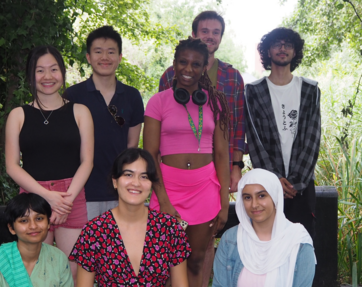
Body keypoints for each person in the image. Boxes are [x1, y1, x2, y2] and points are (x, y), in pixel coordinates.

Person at [158, 12, 245, 284]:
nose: (210, 36)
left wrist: (235, 167)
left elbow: (237, 128)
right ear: (194, 34)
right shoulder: (168, 80)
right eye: (204, 31)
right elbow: (159, 138)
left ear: (220, 37)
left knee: (200, 254)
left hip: (209, 178)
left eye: (216, 31)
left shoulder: (231, 77)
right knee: (164, 255)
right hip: (172, 181)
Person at [144, 37, 230, 286]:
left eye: (196, 64)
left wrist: (224, 203)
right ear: (174, 63)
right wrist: (163, 201)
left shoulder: (216, 103)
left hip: (205, 188)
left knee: (195, 260)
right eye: (183, 62)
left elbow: (222, 155)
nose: (188, 69)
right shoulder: (158, 102)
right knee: (161, 263)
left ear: (205, 68)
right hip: (167, 188)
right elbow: (150, 154)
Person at [5, 45, 94, 282]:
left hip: (72, 196)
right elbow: (12, 165)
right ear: (31, 76)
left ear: (62, 73)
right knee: (34, 273)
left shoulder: (80, 112)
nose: (47, 77)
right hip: (33, 198)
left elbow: (87, 161)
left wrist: (66, 199)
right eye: (40, 70)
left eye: (53, 69)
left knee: (72, 272)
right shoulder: (18, 115)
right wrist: (47, 195)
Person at [69, 148, 191, 287]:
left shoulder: (170, 228)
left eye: (144, 177)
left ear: (151, 184)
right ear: (115, 181)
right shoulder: (94, 231)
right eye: (128, 174)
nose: (136, 183)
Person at [63, 26, 144, 220]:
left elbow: (132, 146)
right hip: (82, 192)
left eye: (111, 52)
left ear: (120, 57)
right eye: (98, 51)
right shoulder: (73, 95)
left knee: (119, 249)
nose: (104, 57)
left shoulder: (132, 96)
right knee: (85, 249)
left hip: (120, 192)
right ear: (89, 57)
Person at [245, 27, 321, 237]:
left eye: (288, 44)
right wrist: (274, 180)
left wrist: (296, 182)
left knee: (302, 244)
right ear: (268, 51)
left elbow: (312, 138)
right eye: (277, 44)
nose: (282, 48)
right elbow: (254, 139)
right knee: (267, 243)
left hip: (302, 187)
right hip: (267, 186)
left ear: (295, 52)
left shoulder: (309, 89)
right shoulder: (253, 91)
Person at [213, 168, 316, 287]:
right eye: (247, 197)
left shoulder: (298, 241)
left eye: (261, 196)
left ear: (274, 196)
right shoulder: (230, 240)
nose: (254, 204)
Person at [0, 193, 74, 287]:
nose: (33, 226)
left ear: (48, 223)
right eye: (24, 220)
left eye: (39, 218)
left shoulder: (58, 259)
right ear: (11, 228)